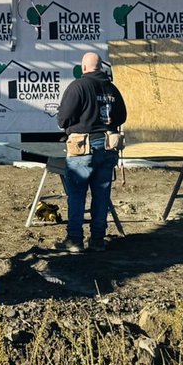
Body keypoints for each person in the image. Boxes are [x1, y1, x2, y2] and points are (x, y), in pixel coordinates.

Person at [55, 52, 128, 253]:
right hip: (108, 147)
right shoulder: (112, 88)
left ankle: (75, 240)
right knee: (101, 193)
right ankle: (97, 240)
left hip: (83, 148)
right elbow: (121, 116)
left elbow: (63, 119)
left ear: (84, 68)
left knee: (77, 194)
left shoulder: (78, 86)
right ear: (101, 67)